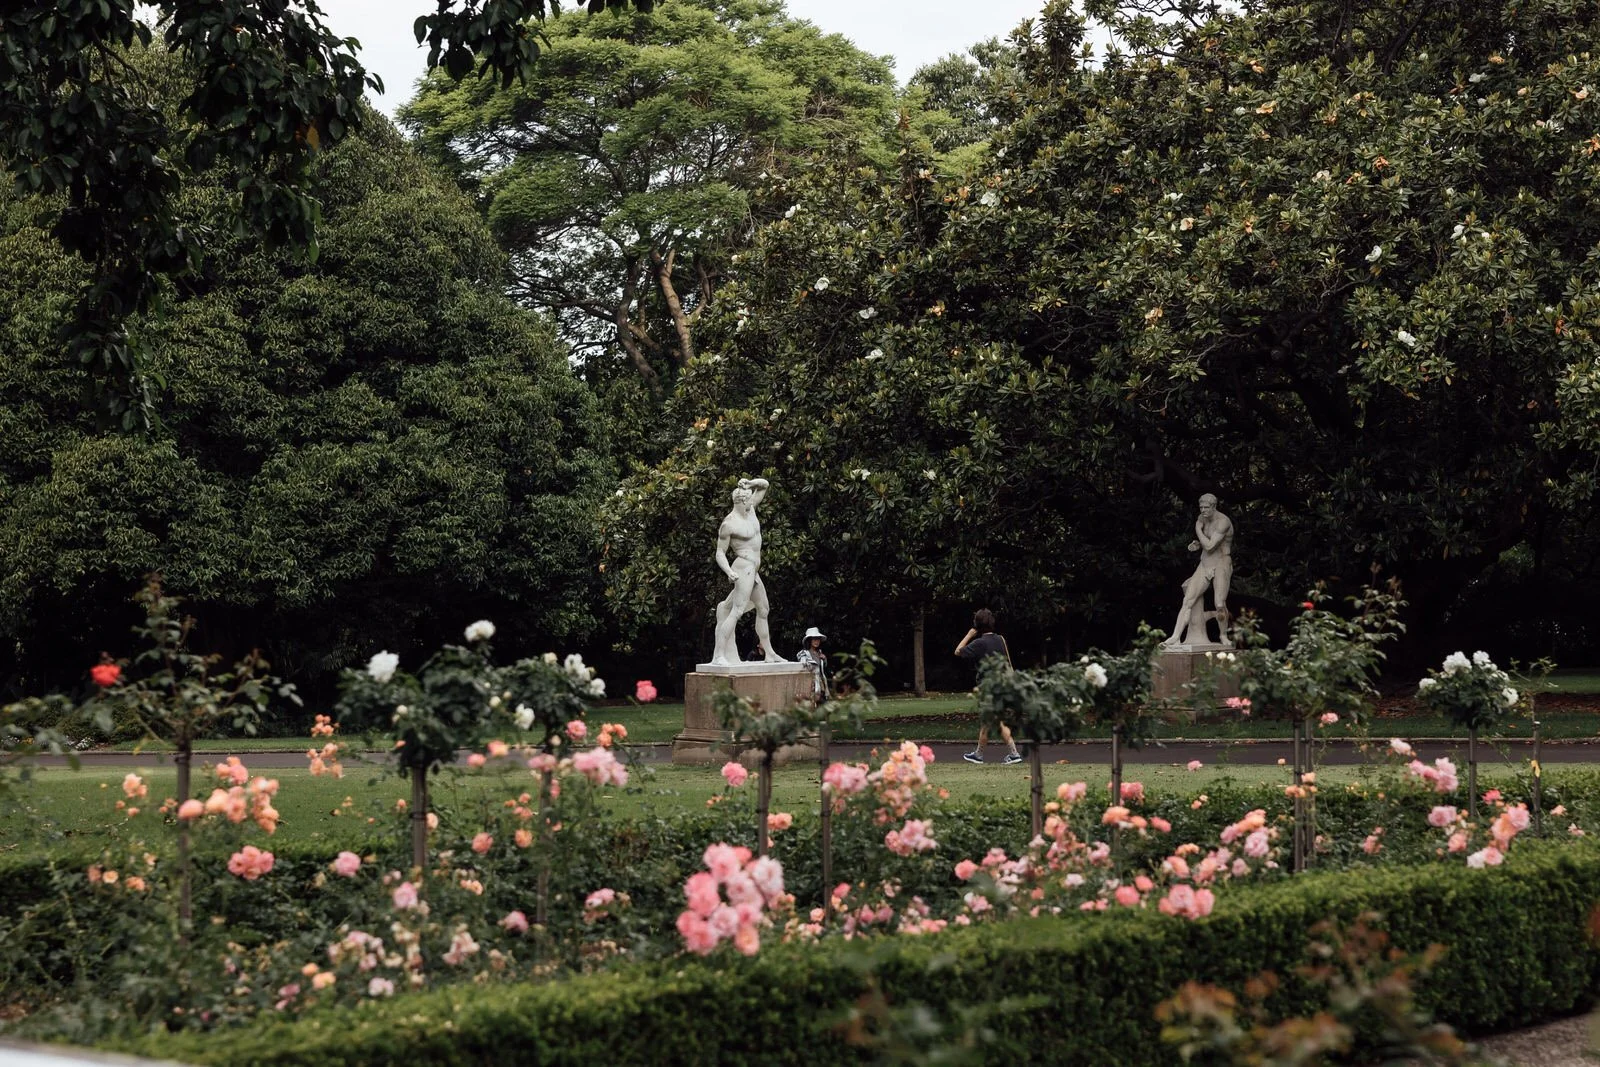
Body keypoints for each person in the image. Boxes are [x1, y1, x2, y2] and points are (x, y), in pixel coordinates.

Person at [710, 478, 785, 665]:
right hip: (742, 567)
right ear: (741, 502)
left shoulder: (750, 510)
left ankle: (769, 653)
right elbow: (720, 552)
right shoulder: (729, 524)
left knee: (763, 609)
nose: (750, 503)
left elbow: (765, 484)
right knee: (736, 611)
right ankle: (719, 655)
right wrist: (728, 571)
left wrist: (749, 483)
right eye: (747, 501)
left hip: (754, 569)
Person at [1164, 493, 1234, 647]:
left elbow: (1210, 545)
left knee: (1219, 604)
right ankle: (1175, 636)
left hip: (1222, 562)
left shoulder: (1223, 522)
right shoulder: (1202, 518)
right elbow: (1206, 545)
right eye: (1201, 507)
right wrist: (1198, 544)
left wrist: (1197, 530)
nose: (1203, 510)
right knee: (1187, 600)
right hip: (1206, 562)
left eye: (1206, 507)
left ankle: (1223, 635)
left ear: (1214, 506)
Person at [957, 609, 1021, 764]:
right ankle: (983, 754)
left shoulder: (979, 643)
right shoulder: (1001, 639)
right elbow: (1009, 663)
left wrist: (970, 634)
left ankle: (1010, 754)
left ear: (977, 625)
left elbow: (958, 651)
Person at [796, 626, 830, 701]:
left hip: (821, 684)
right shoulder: (804, 654)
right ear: (809, 640)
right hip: (810, 684)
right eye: (814, 639)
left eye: (818, 639)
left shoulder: (819, 653)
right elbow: (803, 668)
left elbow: (823, 668)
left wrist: (824, 659)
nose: (816, 641)